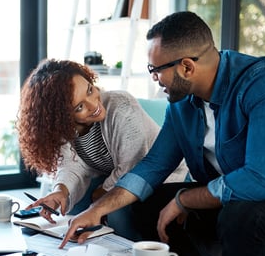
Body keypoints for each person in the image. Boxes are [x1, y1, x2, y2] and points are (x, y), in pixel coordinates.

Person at [62, 11, 265, 256]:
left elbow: (262, 181)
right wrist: (97, 210)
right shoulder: (182, 104)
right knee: (142, 204)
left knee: (241, 215)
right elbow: (153, 166)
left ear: (187, 67)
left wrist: (184, 200)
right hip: (227, 198)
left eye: (155, 70)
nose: (153, 78)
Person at [17, 58, 160, 240]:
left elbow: (132, 167)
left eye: (90, 90)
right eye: (80, 107)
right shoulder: (65, 128)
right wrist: (60, 191)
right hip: (113, 178)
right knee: (70, 211)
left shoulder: (122, 106)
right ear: (63, 118)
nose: (94, 105)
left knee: (114, 213)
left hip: (156, 178)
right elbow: (72, 166)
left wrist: (99, 197)